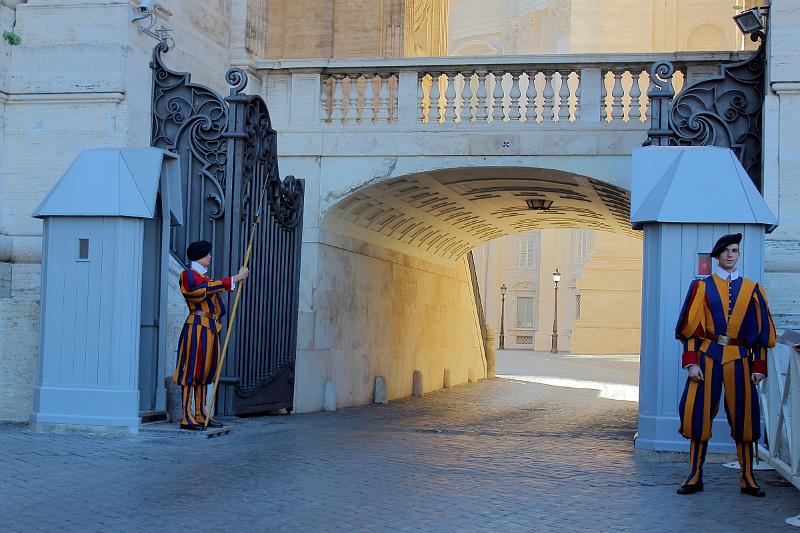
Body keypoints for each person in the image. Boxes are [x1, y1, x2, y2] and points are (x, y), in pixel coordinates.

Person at [675, 233, 776, 497]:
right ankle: (694, 475)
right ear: (717, 255)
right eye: (726, 251)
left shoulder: (752, 289)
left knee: (745, 418)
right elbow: (690, 330)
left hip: (741, 359)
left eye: (735, 251)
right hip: (708, 356)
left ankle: (747, 477)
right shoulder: (701, 287)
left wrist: (759, 366)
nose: (731, 255)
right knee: (699, 415)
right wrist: (690, 363)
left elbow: (761, 332)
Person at [173, 240, 249, 430]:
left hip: (209, 328)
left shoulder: (206, 278)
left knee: (205, 372)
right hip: (196, 327)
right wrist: (234, 278)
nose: (210, 257)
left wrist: (234, 280)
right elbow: (197, 291)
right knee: (190, 371)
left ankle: (200, 413)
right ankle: (186, 415)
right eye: (207, 254)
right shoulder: (188, 275)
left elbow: (212, 287)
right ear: (199, 255)